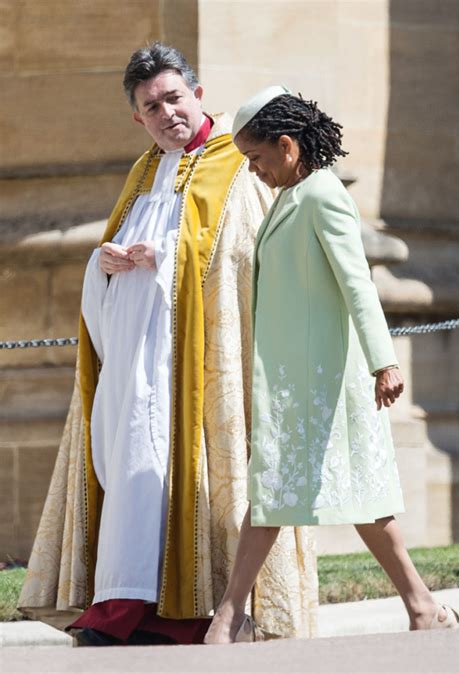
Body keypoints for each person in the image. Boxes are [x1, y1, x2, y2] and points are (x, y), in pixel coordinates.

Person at [19, 47, 319, 645]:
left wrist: (170, 263)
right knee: (131, 471)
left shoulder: (240, 165)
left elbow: (253, 262)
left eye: (173, 98)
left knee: (180, 475)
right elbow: (120, 255)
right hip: (135, 364)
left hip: (204, 370)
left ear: (198, 93)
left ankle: (192, 612)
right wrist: (101, 264)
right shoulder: (141, 173)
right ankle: (126, 604)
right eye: (151, 107)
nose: (166, 114)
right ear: (138, 118)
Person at [204, 86, 459, 644]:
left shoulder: (321, 195)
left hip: (329, 380)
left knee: (353, 496)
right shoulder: (291, 198)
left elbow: (358, 284)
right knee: (273, 491)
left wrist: (384, 362)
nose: (255, 172)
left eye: (257, 159)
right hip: (295, 383)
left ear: (288, 146)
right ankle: (229, 620)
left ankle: (229, 620)